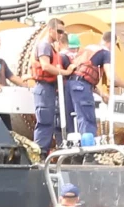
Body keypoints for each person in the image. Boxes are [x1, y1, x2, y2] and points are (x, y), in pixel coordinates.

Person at [67, 31, 124, 137]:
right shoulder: (105, 52)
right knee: (88, 121)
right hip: (81, 88)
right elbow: (112, 78)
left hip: (70, 85)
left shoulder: (89, 49)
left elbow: (84, 76)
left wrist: (101, 93)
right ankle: (88, 150)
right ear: (111, 43)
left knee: (73, 121)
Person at [30, 18, 75, 157]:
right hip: (44, 88)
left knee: (50, 121)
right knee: (45, 122)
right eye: (59, 31)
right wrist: (66, 72)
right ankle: (39, 154)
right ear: (51, 30)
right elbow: (46, 66)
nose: (61, 35)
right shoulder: (44, 46)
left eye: (63, 32)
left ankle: (45, 152)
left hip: (49, 88)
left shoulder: (52, 48)